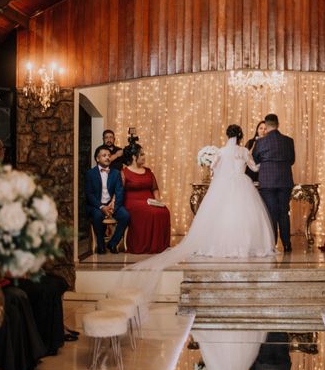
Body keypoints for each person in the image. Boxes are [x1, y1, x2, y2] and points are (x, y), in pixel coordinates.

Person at [121, 124, 276, 291]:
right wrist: (267, 162)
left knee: (221, 216)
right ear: (240, 136)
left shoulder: (221, 152)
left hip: (224, 186)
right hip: (242, 184)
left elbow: (213, 170)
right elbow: (254, 167)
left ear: (227, 135)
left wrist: (218, 173)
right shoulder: (244, 152)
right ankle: (245, 246)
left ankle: (219, 246)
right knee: (244, 217)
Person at [252, 114, 295, 253]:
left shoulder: (260, 142)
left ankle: (272, 244)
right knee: (284, 212)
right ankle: (287, 244)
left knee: (270, 212)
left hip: (267, 181)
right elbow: (292, 160)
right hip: (284, 181)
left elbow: (255, 159)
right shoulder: (288, 141)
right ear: (278, 124)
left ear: (267, 125)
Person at [121, 143, 171, 254]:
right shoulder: (124, 172)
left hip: (149, 200)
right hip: (132, 202)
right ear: (134, 157)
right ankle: (146, 246)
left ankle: (161, 246)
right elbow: (120, 191)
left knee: (164, 211)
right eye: (142, 154)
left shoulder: (148, 171)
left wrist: (158, 200)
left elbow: (155, 188)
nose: (144, 157)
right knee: (151, 212)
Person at [84, 145, 130, 254]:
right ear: (97, 158)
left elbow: (119, 192)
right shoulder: (90, 173)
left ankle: (113, 243)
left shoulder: (115, 173)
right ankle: (100, 244)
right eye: (104, 155)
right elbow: (89, 194)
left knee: (125, 215)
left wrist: (114, 207)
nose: (108, 157)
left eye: (109, 155)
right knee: (97, 215)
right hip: (97, 205)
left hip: (112, 204)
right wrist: (101, 207)